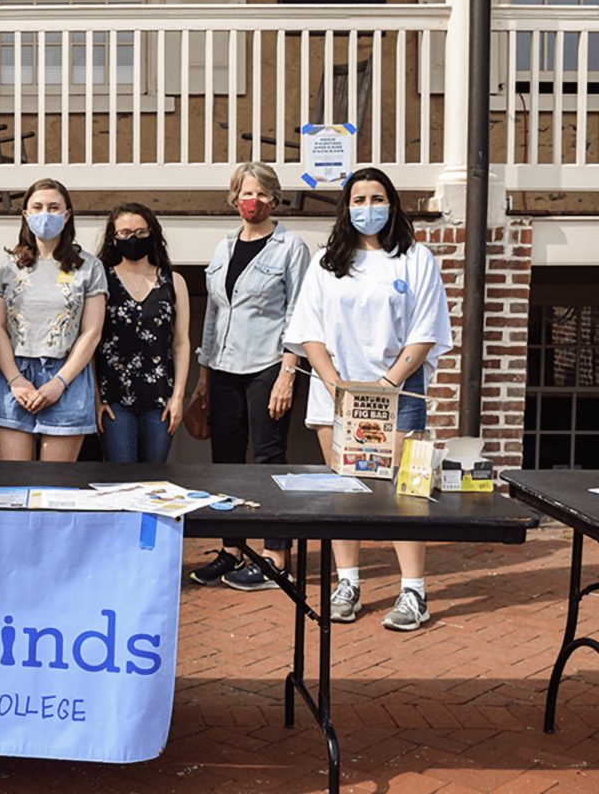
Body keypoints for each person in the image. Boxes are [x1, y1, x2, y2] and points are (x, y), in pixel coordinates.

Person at [283, 166, 452, 631]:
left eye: (377, 199)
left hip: (398, 394)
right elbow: (307, 331)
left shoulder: (415, 259)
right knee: (344, 493)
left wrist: (387, 385)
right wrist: (335, 382)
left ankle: (413, 591)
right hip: (335, 396)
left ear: (392, 205)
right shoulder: (326, 262)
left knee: (404, 494)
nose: (368, 208)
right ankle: (348, 583)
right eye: (358, 200)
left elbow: (426, 332)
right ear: (346, 207)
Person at [187, 161, 311, 592]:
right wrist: (203, 374)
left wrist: (287, 373)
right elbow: (213, 313)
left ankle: (276, 556)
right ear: (233, 197)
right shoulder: (223, 247)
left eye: (259, 193)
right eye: (244, 192)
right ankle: (233, 549)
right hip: (222, 367)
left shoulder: (290, 248)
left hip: (267, 365)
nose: (251, 201)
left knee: (268, 459)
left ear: (274, 198)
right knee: (225, 462)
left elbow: (299, 312)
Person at [0, 179, 107, 462]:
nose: (46, 213)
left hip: (66, 377)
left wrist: (59, 382)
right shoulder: (8, 266)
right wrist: (15, 379)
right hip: (15, 376)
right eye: (38, 207)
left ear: (67, 215)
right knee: (13, 483)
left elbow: (91, 331)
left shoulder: (88, 267)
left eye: (54, 207)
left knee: (55, 486)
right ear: (26, 215)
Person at [94, 203, 190, 463]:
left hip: (159, 399)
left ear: (153, 234)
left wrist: (178, 397)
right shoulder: (101, 279)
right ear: (113, 238)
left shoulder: (174, 282)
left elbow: (181, 343)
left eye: (140, 232)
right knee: (121, 477)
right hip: (113, 399)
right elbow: (90, 340)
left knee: (154, 480)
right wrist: (95, 397)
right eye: (124, 233)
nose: (132, 238)